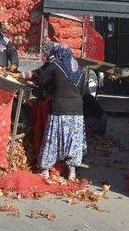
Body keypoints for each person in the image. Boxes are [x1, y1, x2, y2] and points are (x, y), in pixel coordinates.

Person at [20, 43, 86, 181]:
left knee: (52, 140)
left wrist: (30, 80)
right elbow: (83, 92)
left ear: (57, 53)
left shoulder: (55, 65)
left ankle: (45, 170)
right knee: (73, 141)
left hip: (59, 109)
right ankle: (72, 172)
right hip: (77, 112)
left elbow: (42, 81)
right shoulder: (79, 69)